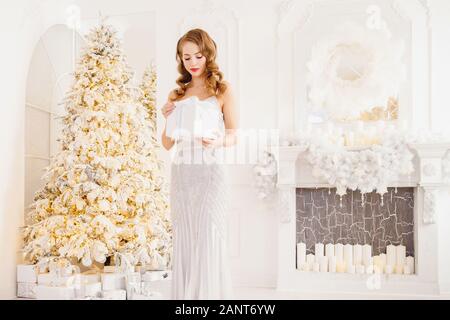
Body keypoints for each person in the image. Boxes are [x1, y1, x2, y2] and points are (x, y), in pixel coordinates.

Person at [160, 28, 238, 300]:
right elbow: (167, 143)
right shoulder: (176, 94)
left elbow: (233, 135)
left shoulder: (222, 90)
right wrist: (167, 116)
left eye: (198, 56)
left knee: (208, 232)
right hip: (182, 172)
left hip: (211, 171)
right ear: (181, 59)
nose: (192, 63)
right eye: (186, 57)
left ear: (208, 56)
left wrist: (217, 143)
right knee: (185, 232)